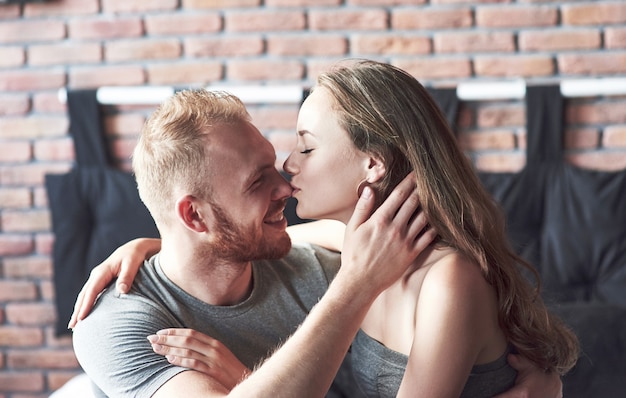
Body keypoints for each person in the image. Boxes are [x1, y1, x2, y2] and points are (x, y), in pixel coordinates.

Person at [70, 63, 570, 397]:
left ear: (372, 164)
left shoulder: (403, 269)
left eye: (303, 149)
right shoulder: (353, 253)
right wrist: (156, 245)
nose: (288, 175)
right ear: (195, 219)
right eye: (258, 179)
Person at [71, 87, 434, 397]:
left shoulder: (322, 273)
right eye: (257, 181)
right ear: (195, 217)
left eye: (274, 168)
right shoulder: (117, 324)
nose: (286, 189)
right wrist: (356, 284)